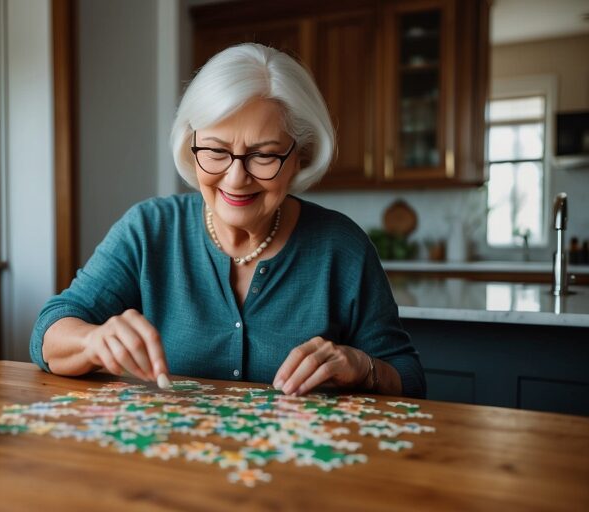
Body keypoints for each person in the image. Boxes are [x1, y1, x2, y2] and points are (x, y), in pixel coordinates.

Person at [30, 43, 426, 398]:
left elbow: (410, 377)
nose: (236, 178)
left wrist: (363, 368)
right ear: (192, 147)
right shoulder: (149, 229)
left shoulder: (342, 247)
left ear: (300, 156)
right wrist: (94, 339)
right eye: (216, 152)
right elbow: (48, 331)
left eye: (264, 155)